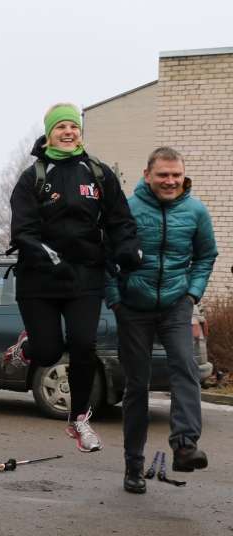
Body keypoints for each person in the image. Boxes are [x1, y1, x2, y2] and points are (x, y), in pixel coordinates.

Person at [4, 103, 142, 452]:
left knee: (83, 344)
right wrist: (48, 256)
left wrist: (128, 248)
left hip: (84, 276)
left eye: (73, 127)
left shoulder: (97, 173)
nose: (68, 132)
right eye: (60, 127)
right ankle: (28, 346)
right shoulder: (32, 176)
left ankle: (79, 418)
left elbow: (120, 220)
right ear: (49, 133)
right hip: (39, 278)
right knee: (49, 351)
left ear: (80, 133)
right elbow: (23, 230)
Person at [105, 147, 217, 494]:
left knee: (185, 367)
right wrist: (116, 302)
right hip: (133, 307)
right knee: (137, 385)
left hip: (175, 304)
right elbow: (106, 258)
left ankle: (184, 446)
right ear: (147, 174)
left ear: (184, 176)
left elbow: (206, 256)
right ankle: (133, 466)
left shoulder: (196, 211)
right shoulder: (127, 209)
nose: (170, 181)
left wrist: (191, 294)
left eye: (176, 175)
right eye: (163, 175)